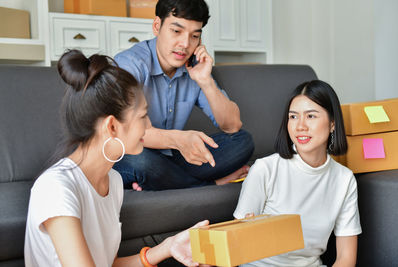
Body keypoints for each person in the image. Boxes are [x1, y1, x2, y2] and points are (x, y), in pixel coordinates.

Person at [24, 49, 209, 267]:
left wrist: (167, 247)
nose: (149, 125)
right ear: (112, 126)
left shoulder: (112, 181)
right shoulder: (56, 188)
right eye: (143, 116)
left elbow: (107, 264)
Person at [113, 0, 254, 191]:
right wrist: (179, 140)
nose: (185, 44)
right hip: (128, 153)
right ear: (157, 26)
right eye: (176, 31)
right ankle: (210, 185)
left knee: (242, 142)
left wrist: (205, 80)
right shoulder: (129, 65)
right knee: (142, 162)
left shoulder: (193, 68)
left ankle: (164, 180)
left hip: (170, 158)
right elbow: (126, 134)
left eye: (194, 36)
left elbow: (232, 125)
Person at [234, 80, 362, 266]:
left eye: (311, 116)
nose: (300, 126)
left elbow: (346, 257)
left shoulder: (344, 179)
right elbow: (237, 244)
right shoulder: (266, 169)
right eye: (293, 117)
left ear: (332, 123)